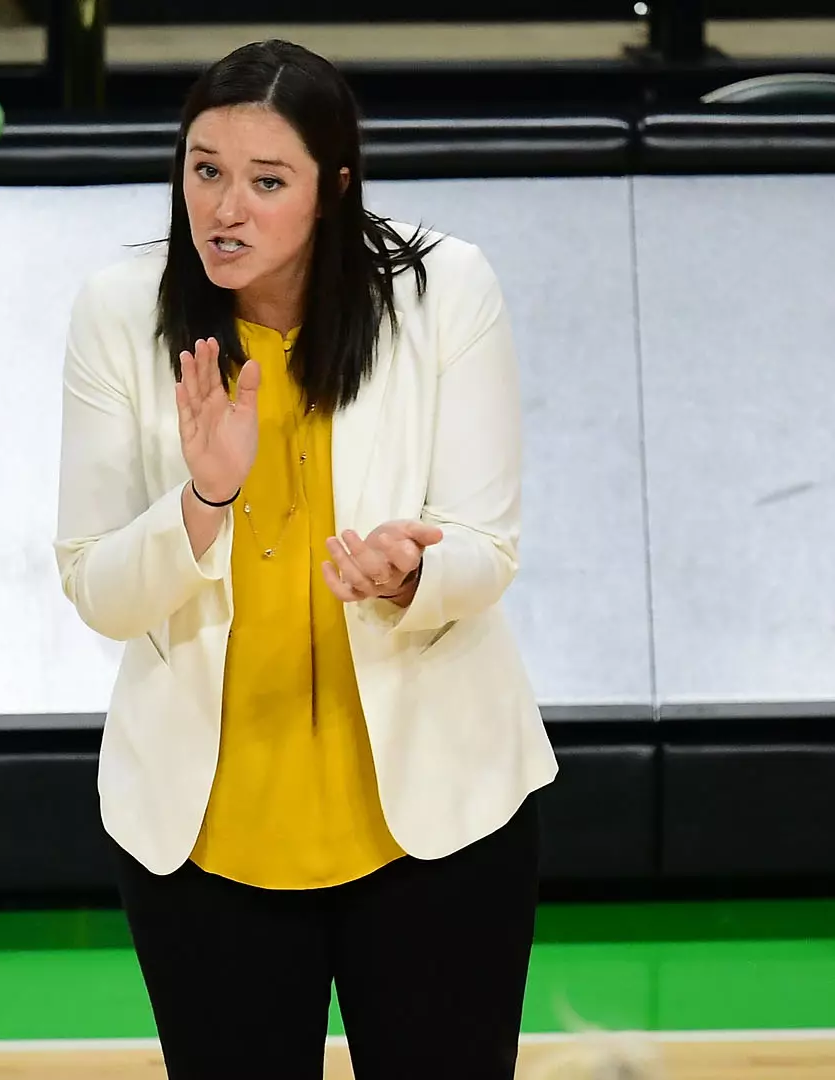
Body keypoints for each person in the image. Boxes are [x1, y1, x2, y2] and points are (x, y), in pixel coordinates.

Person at [53, 39, 559, 1080]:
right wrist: (205, 500)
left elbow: (488, 548)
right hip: (205, 834)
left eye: (265, 181)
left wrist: (409, 576)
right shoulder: (120, 307)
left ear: (333, 188)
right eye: (205, 170)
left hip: (439, 820)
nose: (224, 209)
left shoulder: (443, 289)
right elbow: (98, 587)